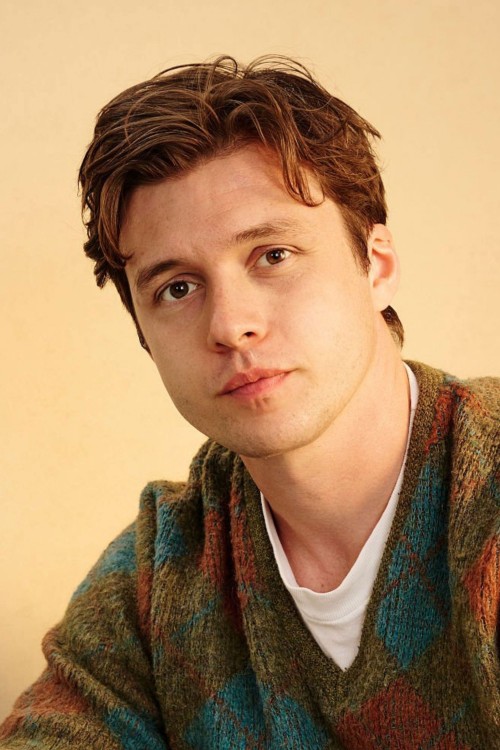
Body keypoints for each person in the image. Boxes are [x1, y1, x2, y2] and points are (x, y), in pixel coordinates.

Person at [1, 55, 498, 749]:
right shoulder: (155, 580)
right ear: (145, 335)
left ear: (376, 266)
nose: (231, 325)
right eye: (177, 288)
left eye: (273, 255)